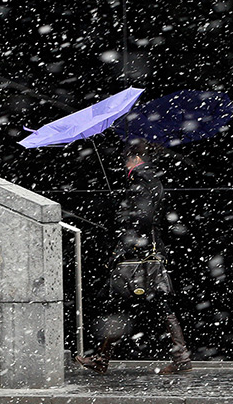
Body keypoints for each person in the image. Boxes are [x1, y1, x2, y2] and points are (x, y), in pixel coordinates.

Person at [76, 140, 192, 375]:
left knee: (125, 301)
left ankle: (103, 358)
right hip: (148, 251)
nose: (124, 164)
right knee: (147, 303)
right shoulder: (152, 178)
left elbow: (143, 217)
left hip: (139, 253)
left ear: (136, 159)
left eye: (126, 159)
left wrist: (121, 217)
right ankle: (180, 357)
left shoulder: (140, 178)